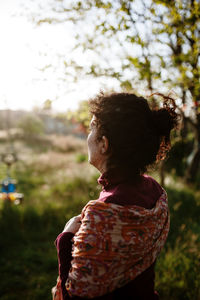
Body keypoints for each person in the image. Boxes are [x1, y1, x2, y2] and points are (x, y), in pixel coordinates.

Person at [53, 92, 179, 300]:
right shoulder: (155, 192)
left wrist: (66, 238)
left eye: (92, 127)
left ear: (104, 144)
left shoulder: (104, 211)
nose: (88, 135)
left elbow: (76, 293)